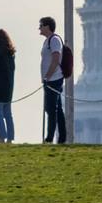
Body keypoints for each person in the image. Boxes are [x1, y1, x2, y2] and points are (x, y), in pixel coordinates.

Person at [39, 16, 67, 144]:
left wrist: (47, 76)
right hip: (50, 79)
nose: (39, 28)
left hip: (54, 79)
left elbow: (56, 59)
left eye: (41, 25)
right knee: (57, 109)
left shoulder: (54, 40)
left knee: (51, 108)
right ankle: (62, 137)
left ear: (47, 26)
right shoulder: (47, 41)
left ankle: (50, 137)